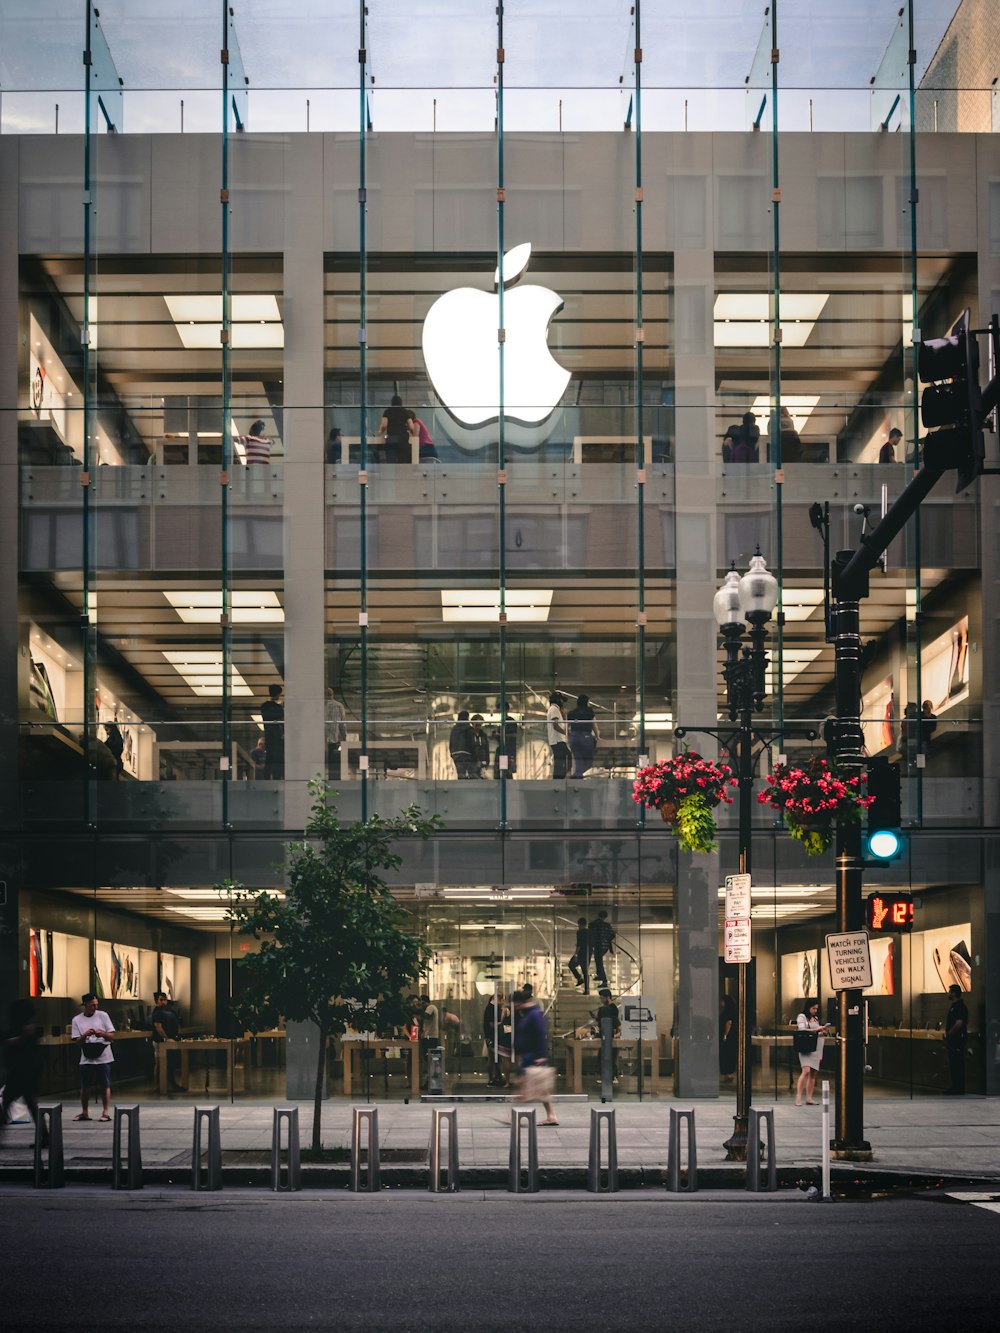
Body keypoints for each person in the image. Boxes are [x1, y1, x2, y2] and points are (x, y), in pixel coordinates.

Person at [511, 990, 558, 1125]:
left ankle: (514, 1113)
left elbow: (540, 1033)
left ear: (520, 1002)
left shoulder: (534, 1014)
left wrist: (542, 1054)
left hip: (533, 1055)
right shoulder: (528, 1013)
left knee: (522, 1085)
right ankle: (551, 1115)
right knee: (538, 1088)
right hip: (530, 1054)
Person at [0, 999, 43, 1139]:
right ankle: (45, 1136)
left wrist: (7, 1040)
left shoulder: (27, 1029)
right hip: (25, 1073)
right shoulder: (28, 1027)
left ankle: (45, 1136)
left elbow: (17, 1042)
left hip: (21, 1073)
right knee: (29, 1104)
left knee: (9, 1102)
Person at [71, 992, 115, 1121]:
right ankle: (85, 1112)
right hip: (87, 1056)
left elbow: (112, 1036)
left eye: (96, 1005)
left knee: (105, 1084)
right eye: (91, 1005)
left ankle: (105, 1112)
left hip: (104, 1055)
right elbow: (76, 1041)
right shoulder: (77, 1020)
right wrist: (85, 1035)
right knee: (85, 1086)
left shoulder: (103, 1015)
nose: (94, 1008)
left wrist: (101, 1034)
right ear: (85, 1005)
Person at [794, 999, 831, 1106]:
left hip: (816, 1046)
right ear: (808, 1007)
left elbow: (815, 1034)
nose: (815, 1010)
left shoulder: (815, 1018)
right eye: (813, 1008)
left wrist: (823, 1032)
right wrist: (819, 1028)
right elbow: (802, 1030)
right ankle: (798, 1097)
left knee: (813, 1073)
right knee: (806, 1071)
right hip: (806, 1047)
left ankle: (809, 1098)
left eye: (816, 1008)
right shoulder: (802, 1017)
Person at [150, 991, 184, 1093]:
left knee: (170, 1063)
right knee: (160, 1063)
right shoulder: (156, 1013)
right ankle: (157, 1086)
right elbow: (158, 1027)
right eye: (161, 1000)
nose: (164, 1002)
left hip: (171, 1040)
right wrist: (165, 1038)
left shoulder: (170, 1011)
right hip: (160, 1041)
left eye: (165, 999)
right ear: (156, 1001)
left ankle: (170, 1084)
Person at [567, 693, 600, 778]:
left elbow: (567, 727)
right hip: (585, 737)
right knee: (589, 760)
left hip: (574, 737)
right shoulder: (589, 711)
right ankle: (578, 774)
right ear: (586, 702)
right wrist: (597, 737)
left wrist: (569, 737)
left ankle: (577, 775)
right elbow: (594, 726)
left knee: (578, 759)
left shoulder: (571, 713)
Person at [943, 982, 968, 1095]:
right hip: (953, 1040)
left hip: (957, 1040)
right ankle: (955, 1086)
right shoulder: (954, 1006)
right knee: (954, 1064)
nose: (948, 994)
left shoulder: (960, 1007)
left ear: (954, 993)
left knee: (957, 1064)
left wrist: (949, 1033)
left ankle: (958, 1088)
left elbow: (959, 1023)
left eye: (950, 992)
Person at [377, 394, 415, 464]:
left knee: (391, 461)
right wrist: (412, 433)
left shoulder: (387, 411)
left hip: (391, 437)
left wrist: (380, 432)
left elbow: (384, 425)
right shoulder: (405, 411)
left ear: (392, 403)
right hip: (403, 438)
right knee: (402, 462)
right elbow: (411, 426)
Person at [261, 683, 284, 780]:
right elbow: (281, 718)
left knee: (269, 757)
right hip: (277, 735)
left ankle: (267, 777)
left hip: (268, 734)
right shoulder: (278, 708)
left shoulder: (264, 706)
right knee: (278, 757)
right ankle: (276, 777)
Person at [483, 993, 507, 1088]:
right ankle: (491, 1079)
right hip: (492, 1036)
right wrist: (502, 1024)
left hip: (493, 1036)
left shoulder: (492, 1008)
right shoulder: (492, 1009)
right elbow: (493, 1024)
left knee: (496, 1058)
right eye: (502, 1000)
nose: (503, 1002)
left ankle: (498, 1077)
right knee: (492, 1058)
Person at [588, 910, 615, 986]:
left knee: (599, 961)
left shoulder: (593, 924)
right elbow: (612, 935)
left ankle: (604, 980)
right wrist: (606, 940)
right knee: (598, 960)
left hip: (598, 945)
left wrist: (591, 945)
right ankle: (600, 976)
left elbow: (590, 935)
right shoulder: (607, 925)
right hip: (605, 946)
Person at [547, 693, 570, 779]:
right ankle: (558, 779)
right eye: (562, 701)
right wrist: (565, 732)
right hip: (558, 740)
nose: (563, 703)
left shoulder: (555, 709)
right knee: (562, 761)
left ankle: (559, 779)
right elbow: (555, 725)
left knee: (560, 762)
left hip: (557, 740)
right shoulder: (554, 709)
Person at [325, 687, 348, 778]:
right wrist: (344, 736)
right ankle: (333, 781)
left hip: (320, 740)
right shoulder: (339, 705)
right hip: (333, 739)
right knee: (333, 762)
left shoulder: (317, 705)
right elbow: (342, 724)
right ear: (332, 695)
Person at [418, 994, 440, 1090]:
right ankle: (429, 1080)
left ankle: (430, 1081)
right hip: (428, 1037)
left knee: (429, 1060)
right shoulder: (431, 1008)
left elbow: (425, 1016)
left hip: (430, 1037)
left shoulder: (431, 1007)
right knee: (428, 1060)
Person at [449, 710, 474, 779]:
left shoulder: (454, 729)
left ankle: (461, 782)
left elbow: (451, 742)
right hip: (466, 753)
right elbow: (471, 743)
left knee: (460, 772)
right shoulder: (469, 729)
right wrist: (474, 754)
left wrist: (452, 753)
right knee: (471, 773)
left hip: (456, 753)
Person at [567, 916, 589, 991]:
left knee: (571, 965)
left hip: (581, 953)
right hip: (587, 954)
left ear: (580, 924)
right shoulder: (588, 932)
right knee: (585, 971)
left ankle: (579, 978)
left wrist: (576, 954)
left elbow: (579, 944)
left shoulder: (580, 932)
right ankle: (586, 989)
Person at [719, 993, 738, 1080]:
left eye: (722, 1001)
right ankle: (729, 1073)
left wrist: (725, 1035)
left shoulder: (728, 1011)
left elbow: (728, 1023)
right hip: (731, 1036)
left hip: (728, 1037)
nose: (721, 1003)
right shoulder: (732, 1010)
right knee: (729, 1054)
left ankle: (728, 1073)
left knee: (726, 1054)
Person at [467, 714, 490, 778]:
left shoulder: (483, 735)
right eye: (477, 725)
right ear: (472, 724)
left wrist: (487, 761)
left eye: (480, 725)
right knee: (473, 778)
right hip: (472, 762)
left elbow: (486, 748)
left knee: (482, 777)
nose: (478, 727)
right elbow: (469, 748)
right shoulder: (469, 734)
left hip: (482, 761)